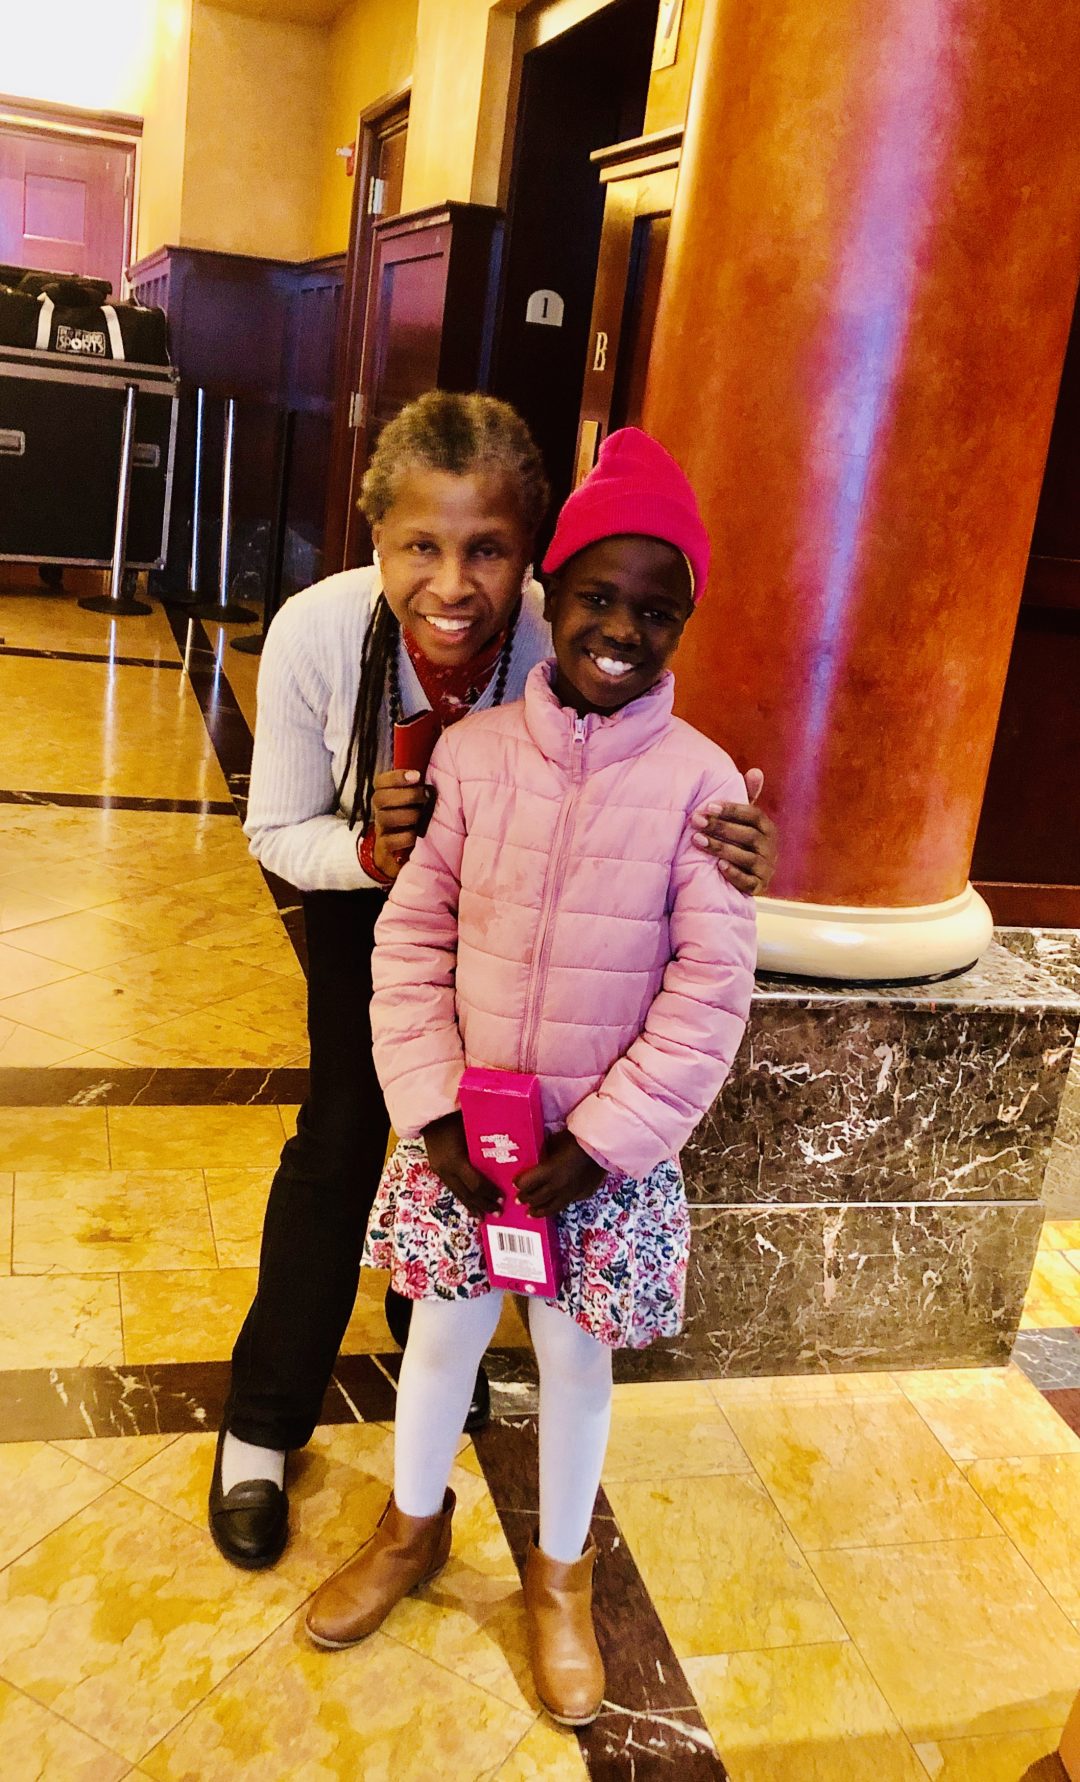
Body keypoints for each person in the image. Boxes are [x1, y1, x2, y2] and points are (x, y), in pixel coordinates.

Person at [210, 393, 778, 1572]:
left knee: (476, 1211)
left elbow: (643, 784)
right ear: (375, 539)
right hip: (370, 889)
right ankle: (262, 1426)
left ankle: (438, 1355)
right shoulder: (319, 635)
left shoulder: (562, 628)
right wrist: (370, 852)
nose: (454, 584)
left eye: (489, 550)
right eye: (420, 546)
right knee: (345, 1137)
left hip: (538, 939)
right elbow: (275, 830)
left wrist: (742, 842)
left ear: (531, 563)